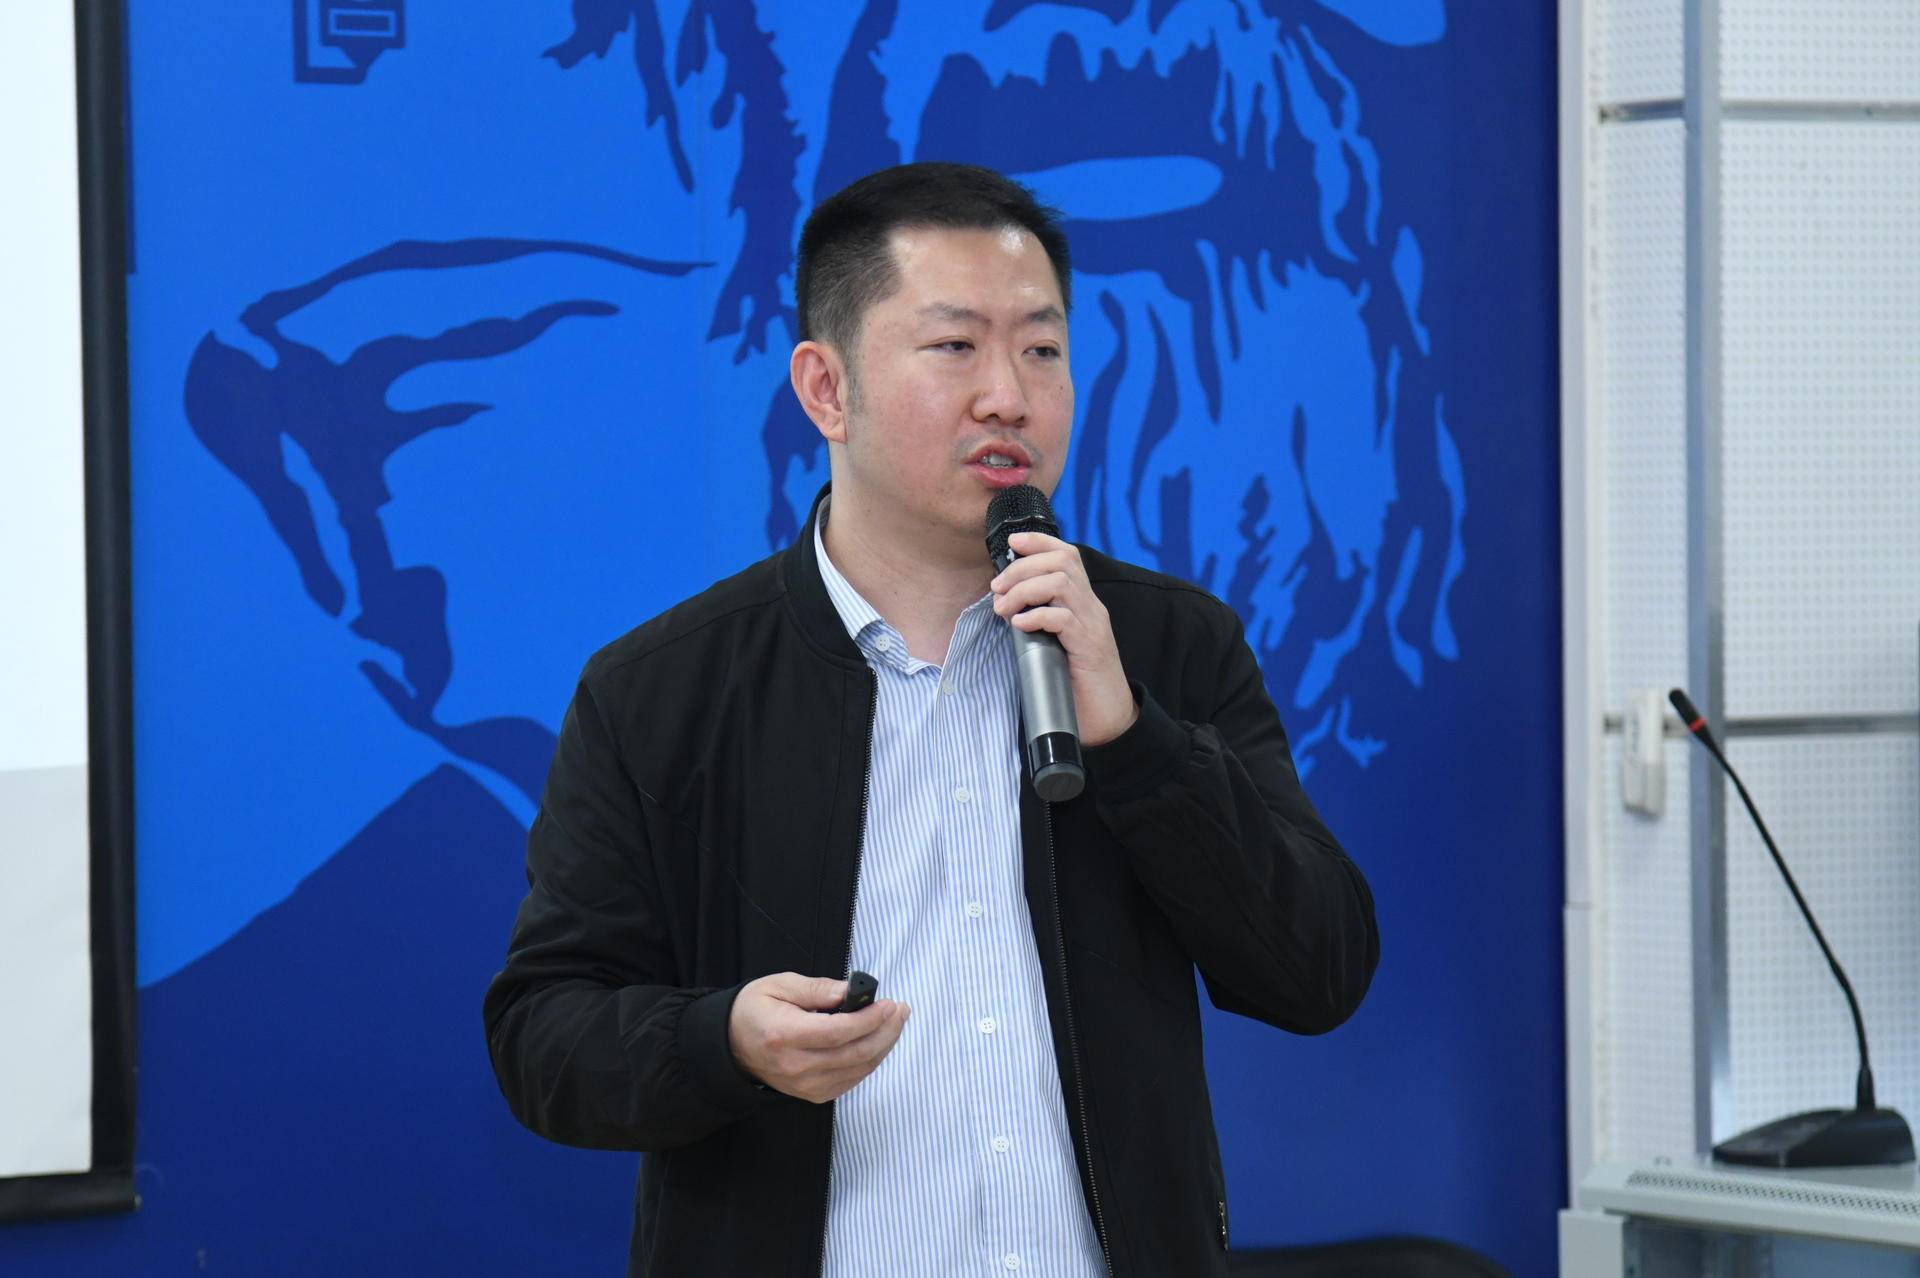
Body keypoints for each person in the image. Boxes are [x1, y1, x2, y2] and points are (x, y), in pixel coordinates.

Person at [483, 162, 1379, 1278]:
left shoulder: (1166, 644)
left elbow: (1317, 972)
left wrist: (1138, 744)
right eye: (955, 346)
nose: (1008, 397)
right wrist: (724, 1042)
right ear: (827, 389)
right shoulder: (661, 691)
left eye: (1042, 350)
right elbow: (544, 1037)